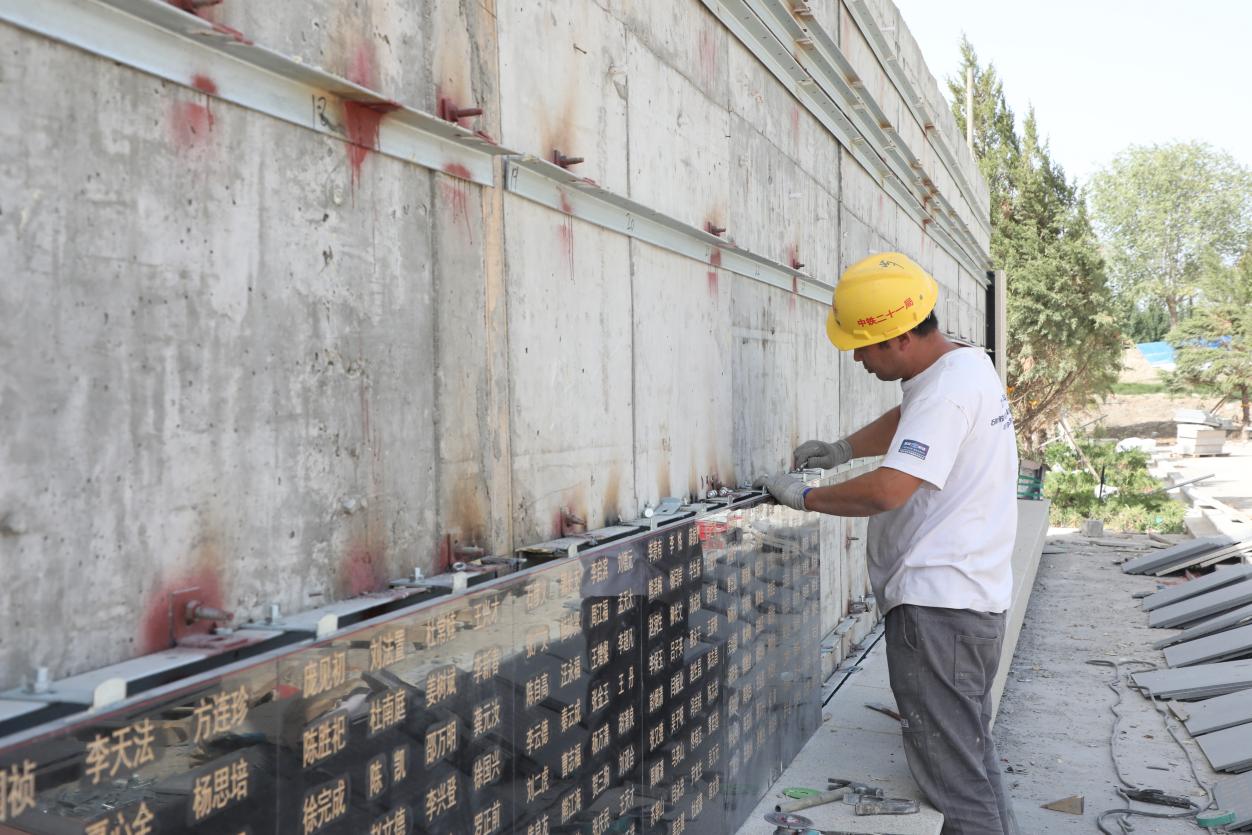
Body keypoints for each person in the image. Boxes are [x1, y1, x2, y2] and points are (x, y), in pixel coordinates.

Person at [756, 252, 1020, 835]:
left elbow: (888, 490)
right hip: (967, 603)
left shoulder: (948, 393)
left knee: (952, 784)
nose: (857, 358)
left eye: (864, 346)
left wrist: (806, 497)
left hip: (940, 613)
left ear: (900, 337)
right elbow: (911, 417)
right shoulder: (964, 366)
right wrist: (845, 449)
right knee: (970, 762)